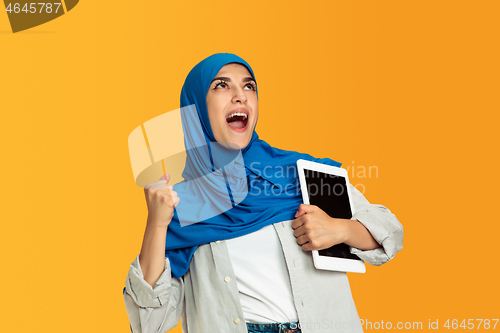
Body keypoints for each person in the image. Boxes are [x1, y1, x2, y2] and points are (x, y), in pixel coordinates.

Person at [124, 53, 404, 333]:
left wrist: (340, 229)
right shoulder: (183, 207)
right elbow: (148, 324)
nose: (240, 96)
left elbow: (390, 231)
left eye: (249, 86)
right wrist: (157, 225)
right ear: (196, 108)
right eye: (221, 85)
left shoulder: (300, 173)